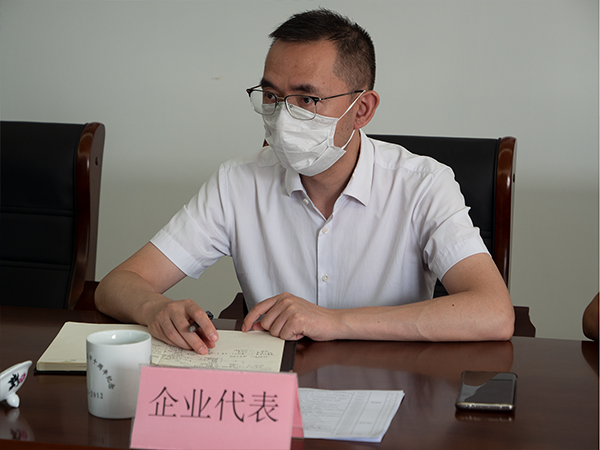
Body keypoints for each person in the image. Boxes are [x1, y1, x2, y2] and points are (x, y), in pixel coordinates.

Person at [95, 8, 514, 354]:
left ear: (362, 110)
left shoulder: (423, 184)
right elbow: (117, 285)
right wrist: (155, 309)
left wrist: (334, 322)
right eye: (272, 96)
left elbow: (493, 312)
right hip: (276, 396)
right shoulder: (238, 182)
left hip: (391, 388)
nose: (283, 117)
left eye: (307, 99)